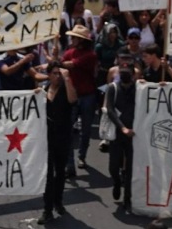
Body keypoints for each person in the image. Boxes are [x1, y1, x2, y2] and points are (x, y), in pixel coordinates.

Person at [39, 63, 77, 224]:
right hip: (46, 137)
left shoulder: (66, 87)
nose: (57, 76)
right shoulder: (43, 90)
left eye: (59, 74)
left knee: (60, 172)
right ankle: (47, 210)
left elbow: (73, 99)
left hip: (62, 136)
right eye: (54, 73)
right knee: (48, 174)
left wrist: (67, 78)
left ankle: (58, 202)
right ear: (48, 75)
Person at [59, 24, 98, 175]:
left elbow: (69, 64)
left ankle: (82, 156)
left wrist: (57, 61)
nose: (72, 39)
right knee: (68, 130)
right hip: (73, 96)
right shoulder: (69, 52)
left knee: (86, 130)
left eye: (74, 37)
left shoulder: (90, 55)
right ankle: (70, 164)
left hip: (88, 95)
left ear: (81, 40)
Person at [105, 58, 137, 212]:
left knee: (130, 168)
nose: (125, 77)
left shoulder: (139, 89)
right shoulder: (112, 88)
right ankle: (116, 181)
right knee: (113, 166)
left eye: (128, 74)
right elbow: (110, 110)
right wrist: (122, 127)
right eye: (122, 73)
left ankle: (127, 199)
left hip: (133, 135)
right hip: (117, 134)